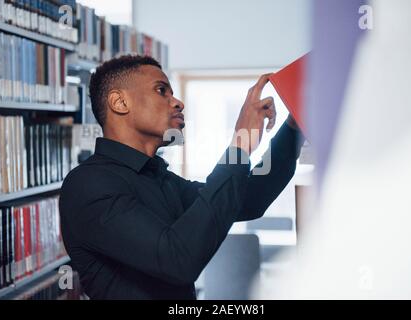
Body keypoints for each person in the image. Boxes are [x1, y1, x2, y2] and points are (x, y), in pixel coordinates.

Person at [59, 55, 304, 300]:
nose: (178, 103)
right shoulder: (88, 185)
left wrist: (296, 124)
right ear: (120, 102)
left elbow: (249, 199)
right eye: (161, 90)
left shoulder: (159, 178)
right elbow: (176, 260)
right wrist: (240, 144)